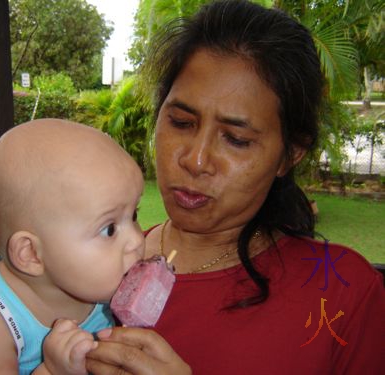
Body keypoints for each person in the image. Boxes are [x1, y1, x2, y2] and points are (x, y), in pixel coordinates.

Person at [85, 1, 385, 374]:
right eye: (180, 122)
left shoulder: (343, 292)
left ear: (289, 154)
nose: (195, 160)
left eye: (237, 139)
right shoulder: (92, 267)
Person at [0, 118, 146, 374]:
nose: (137, 240)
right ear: (31, 253)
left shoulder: (100, 285)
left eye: (133, 215)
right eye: (109, 229)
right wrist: (52, 371)